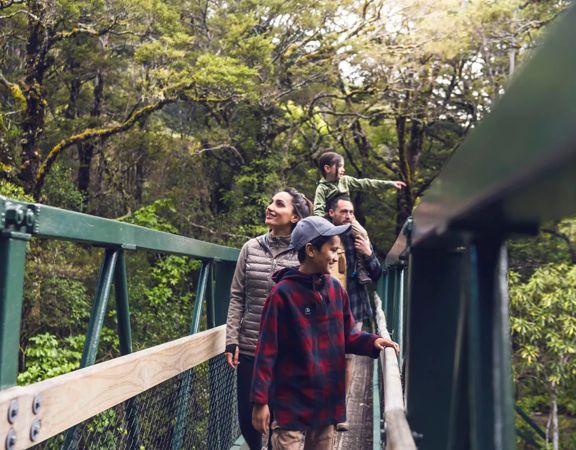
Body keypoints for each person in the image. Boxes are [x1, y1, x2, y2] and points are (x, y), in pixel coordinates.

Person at [250, 216, 399, 450]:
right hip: (291, 403)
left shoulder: (335, 290)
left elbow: (348, 335)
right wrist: (260, 402)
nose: (336, 256)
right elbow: (266, 351)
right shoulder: (282, 294)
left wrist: (374, 341)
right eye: (332, 250)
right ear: (311, 250)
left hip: (326, 403)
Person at [225, 187, 312, 450]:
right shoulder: (250, 248)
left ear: (295, 216)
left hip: (286, 352)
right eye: (271, 201)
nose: (270, 207)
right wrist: (231, 340)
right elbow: (237, 296)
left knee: (279, 419)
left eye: (279, 204)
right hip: (250, 347)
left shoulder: (303, 255)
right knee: (246, 417)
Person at [327, 193, 384, 431]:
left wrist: (368, 253)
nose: (349, 216)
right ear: (332, 213)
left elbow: (377, 275)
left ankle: (340, 412)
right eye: (344, 212)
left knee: (347, 359)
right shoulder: (322, 236)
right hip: (324, 307)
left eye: (351, 212)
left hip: (354, 305)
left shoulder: (358, 237)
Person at [313, 151, 405, 283]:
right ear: (327, 168)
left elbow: (366, 183)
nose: (343, 170)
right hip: (332, 220)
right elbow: (318, 210)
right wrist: (325, 223)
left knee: (362, 233)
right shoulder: (322, 188)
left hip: (349, 219)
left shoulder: (345, 181)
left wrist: (389, 184)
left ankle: (361, 269)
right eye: (340, 166)